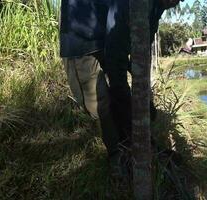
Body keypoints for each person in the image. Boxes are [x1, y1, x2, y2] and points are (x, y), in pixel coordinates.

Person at [60, 0, 181, 178]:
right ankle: (118, 156)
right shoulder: (133, 6)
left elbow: (140, 47)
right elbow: (119, 43)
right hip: (82, 37)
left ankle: (139, 145)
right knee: (99, 105)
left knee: (118, 97)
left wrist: (142, 90)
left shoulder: (156, 6)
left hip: (107, 31)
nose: (178, 2)